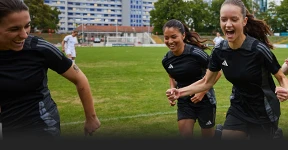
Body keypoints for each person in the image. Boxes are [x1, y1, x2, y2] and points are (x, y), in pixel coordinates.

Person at [166, 0, 288, 140]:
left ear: (244, 21)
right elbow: (206, 81)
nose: (228, 24)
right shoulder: (219, 50)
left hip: (264, 111)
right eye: (224, 19)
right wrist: (179, 92)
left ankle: (275, 136)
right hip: (238, 107)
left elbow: (281, 76)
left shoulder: (258, 49)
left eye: (234, 19)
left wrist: (286, 89)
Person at [0, 0, 100, 139]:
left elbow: (79, 78)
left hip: (40, 127)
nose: (24, 35)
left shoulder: (40, 48)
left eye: (27, 26)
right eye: (14, 29)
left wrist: (91, 118)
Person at [161, 19, 222, 139]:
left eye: (174, 37)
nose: (170, 41)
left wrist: (202, 92)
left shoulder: (196, 53)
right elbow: (172, 77)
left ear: (183, 35)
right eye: (166, 38)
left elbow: (218, 73)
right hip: (184, 101)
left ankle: (219, 134)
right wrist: (173, 90)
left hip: (205, 99)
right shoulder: (166, 60)